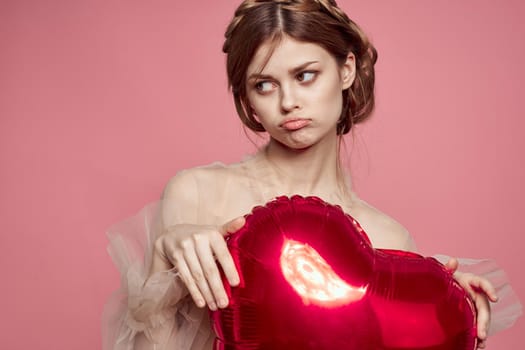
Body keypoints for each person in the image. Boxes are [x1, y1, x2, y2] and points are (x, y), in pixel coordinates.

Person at [102, 1, 521, 349]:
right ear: (247, 100)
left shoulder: (388, 239)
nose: (288, 102)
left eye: (305, 76)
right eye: (264, 85)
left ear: (346, 70)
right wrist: (164, 258)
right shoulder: (197, 194)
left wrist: (446, 312)